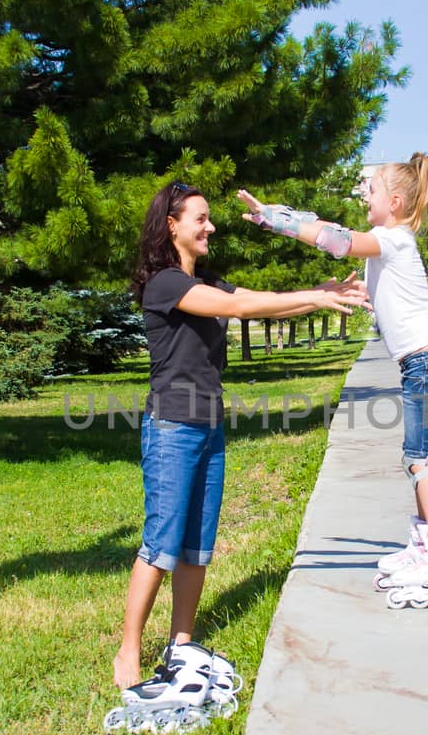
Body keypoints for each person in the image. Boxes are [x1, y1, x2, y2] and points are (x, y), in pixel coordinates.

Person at [112, 179, 370, 697]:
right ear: (172, 226)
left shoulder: (203, 278)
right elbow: (241, 310)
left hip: (209, 424)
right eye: (200, 218)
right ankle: (128, 646)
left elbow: (253, 298)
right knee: (162, 542)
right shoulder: (165, 283)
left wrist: (322, 298)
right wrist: (317, 296)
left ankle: (180, 643)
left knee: (197, 545)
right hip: (172, 427)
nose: (210, 226)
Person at [239, 154, 428, 603]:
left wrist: (276, 220)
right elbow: (358, 255)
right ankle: (425, 545)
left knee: (423, 460)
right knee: (415, 457)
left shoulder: (390, 238)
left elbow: (337, 239)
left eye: (370, 190)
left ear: (394, 201)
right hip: (426, 362)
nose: (364, 196)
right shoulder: (390, 242)